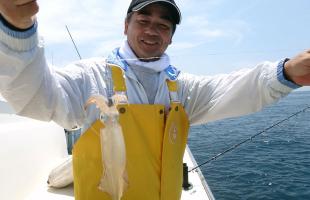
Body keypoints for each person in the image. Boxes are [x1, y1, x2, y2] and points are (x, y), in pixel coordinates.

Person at [0, 0, 310, 199]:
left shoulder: (181, 87)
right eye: (143, 19)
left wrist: (286, 73)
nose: (152, 29)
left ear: (171, 36)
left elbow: (235, 88)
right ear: (126, 25)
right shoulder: (90, 76)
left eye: (163, 25)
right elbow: (38, 96)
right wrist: (17, 31)